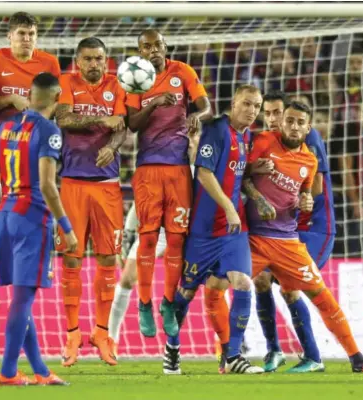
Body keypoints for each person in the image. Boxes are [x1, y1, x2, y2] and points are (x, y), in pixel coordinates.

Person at [243, 101, 363, 375]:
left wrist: (303, 201)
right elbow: (242, 176)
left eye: (278, 113)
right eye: (271, 114)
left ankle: (336, 357)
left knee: (298, 289)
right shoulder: (263, 140)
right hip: (263, 235)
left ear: (307, 126)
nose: (275, 120)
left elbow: (312, 190)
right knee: (246, 283)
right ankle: (255, 352)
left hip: (309, 230)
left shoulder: (310, 149)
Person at [167, 85, 265, 375]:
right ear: (233, 104)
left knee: (243, 283)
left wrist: (253, 170)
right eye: (246, 104)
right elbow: (205, 172)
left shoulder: (245, 136)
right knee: (184, 293)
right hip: (204, 229)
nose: (251, 111)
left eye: (256, 106)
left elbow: (233, 171)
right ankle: (172, 349)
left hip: (233, 231)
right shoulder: (217, 130)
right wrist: (229, 206)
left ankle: (232, 356)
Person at [0, 72, 75, 386]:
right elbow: (49, 186)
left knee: (23, 297)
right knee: (23, 300)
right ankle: (8, 372)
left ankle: (40, 370)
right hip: (32, 217)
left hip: (7, 214)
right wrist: (66, 226)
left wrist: (0, 209)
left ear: (30, 93)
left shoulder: (5, 127)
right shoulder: (49, 130)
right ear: (58, 96)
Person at [126, 28, 212, 338]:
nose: (152, 50)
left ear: (166, 47)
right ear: (140, 52)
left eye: (157, 45)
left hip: (178, 169)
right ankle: (145, 304)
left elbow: (205, 105)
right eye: (146, 46)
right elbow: (132, 124)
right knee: (148, 240)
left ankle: (167, 303)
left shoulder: (183, 71)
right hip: (148, 169)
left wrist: (196, 116)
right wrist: (154, 103)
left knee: (176, 241)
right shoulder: (135, 80)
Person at [0, 12, 60, 335]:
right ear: (10, 36)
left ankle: (9, 293)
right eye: (22, 33)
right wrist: (9, 99)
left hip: (37, 152)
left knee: (21, 229)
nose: (27, 39)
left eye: (31, 34)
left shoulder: (50, 63)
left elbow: (56, 105)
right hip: (5, 152)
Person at [54, 36, 127, 367]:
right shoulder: (67, 83)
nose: (95, 64)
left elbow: (121, 126)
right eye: (88, 59)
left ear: (106, 60)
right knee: (71, 260)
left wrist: (113, 146)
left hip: (108, 186)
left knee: (108, 260)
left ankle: (101, 332)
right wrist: (101, 121)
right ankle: (72, 334)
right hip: (72, 184)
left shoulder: (117, 85)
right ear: (77, 62)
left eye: (99, 58)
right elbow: (64, 119)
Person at [108, 132, 202, 347]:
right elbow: (140, 202)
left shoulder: (201, 172)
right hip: (157, 230)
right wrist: (127, 236)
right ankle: (111, 338)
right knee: (127, 279)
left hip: (187, 232)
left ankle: (222, 344)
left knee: (207, 283)